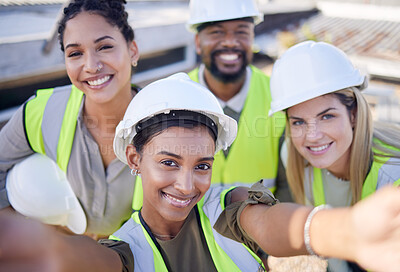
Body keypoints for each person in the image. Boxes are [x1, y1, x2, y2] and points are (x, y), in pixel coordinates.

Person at [1, 73, 400, 272]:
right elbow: (91, 261)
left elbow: (272, 224)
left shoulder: (226, 207)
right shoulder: (125, 249)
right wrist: (48, 249)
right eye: (169, 163)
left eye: (203, 165)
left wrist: (346, 232)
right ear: (135, 159)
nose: (188, 185)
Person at [0, 0, 140, 238]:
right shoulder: (40, 112)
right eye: (75, 53)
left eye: (104, 47)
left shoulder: (165, 122)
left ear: (132, 51)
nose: (91, 66)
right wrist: (32, 233)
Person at [268, 40, 400, 271]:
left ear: (353, 115)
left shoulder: (394, 174)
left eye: (327, 116)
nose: (313, 136)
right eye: (298, 122)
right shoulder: (292, 156)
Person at [185, 0, 289, 200]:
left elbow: (289, 186)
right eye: (217, 32)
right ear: (198, 42)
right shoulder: (172, 98)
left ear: (252, 38)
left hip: (262, 228)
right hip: (188, 231)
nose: (230, 42)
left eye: (241, 32)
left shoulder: (280, 96)